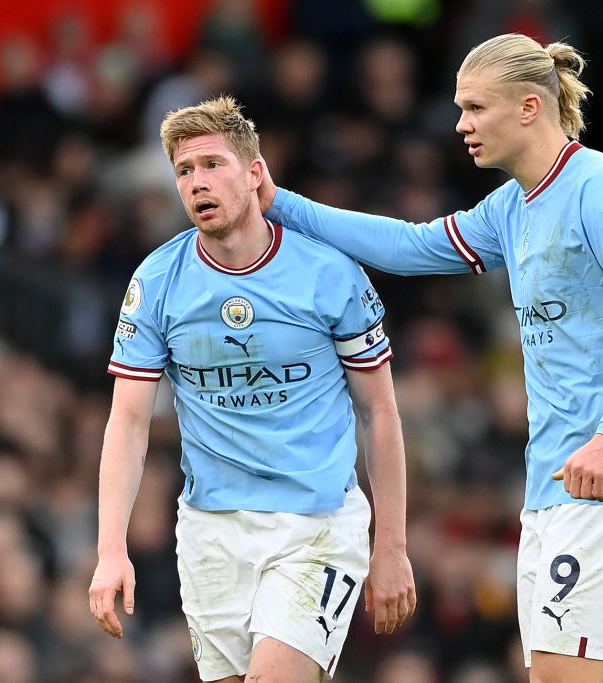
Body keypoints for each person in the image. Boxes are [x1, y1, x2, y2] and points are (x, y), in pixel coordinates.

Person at [258, 32, 603, 683]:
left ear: (530, 107)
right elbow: (410, 246)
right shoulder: (511, 206)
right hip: (554, 486)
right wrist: (278, 204)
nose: (461, 125)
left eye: (476, 108)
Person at [87, 95, 416, 683]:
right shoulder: (157, 281)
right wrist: (111, 547)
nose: (197, 182)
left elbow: (380, 412)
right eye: (184, 171)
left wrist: (390, 544)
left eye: (213, 164)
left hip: (316, 524)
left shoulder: (329, 272)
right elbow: (129, 422)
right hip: (210, 529)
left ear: (255, 174)